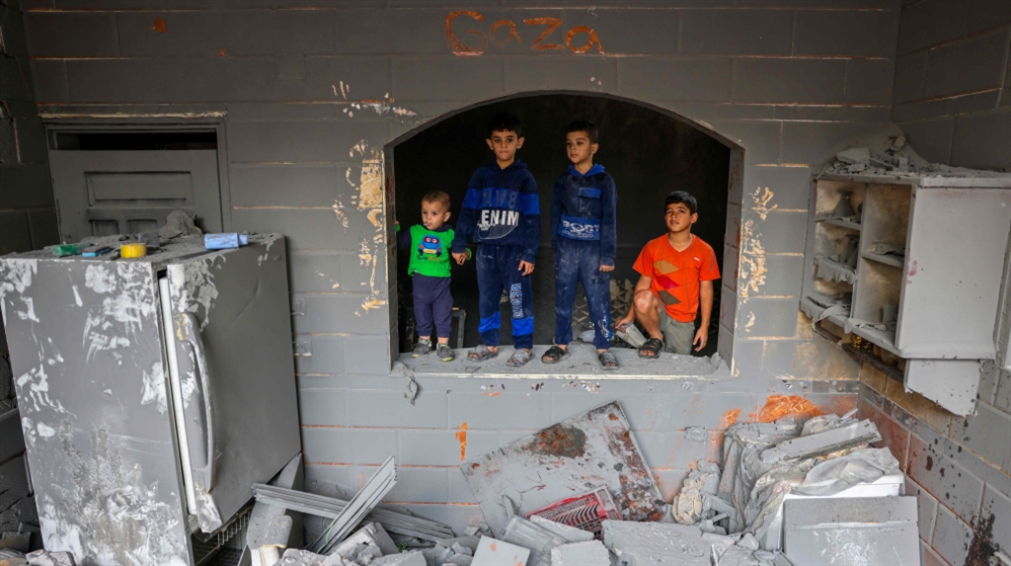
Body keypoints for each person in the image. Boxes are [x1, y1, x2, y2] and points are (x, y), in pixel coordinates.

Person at [452, 112, 540, 367]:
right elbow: (468, 212)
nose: (503, 145)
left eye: (509, 139)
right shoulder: (481, 176)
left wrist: (530, 253)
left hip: (516, 253)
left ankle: (524, 346)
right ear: (490, 143)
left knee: (518, 299)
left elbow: (533, 218)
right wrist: (459, 243)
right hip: (486, 252)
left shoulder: (525, 178)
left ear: (519, 142)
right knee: (487, 299)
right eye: (498, 140)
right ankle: (489, 343)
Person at [541, 120, 619, 370]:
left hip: (593, 251)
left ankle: (603, 346)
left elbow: (610, 219)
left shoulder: (604, 181)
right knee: (563, 299)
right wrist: (557, 248)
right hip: (566, 249)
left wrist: (607, 255)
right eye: (569, 144)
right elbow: (554, 215)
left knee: (598, 301)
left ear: (593, 147)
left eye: (580, 143)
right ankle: (561, 343)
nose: (573, 148)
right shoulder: (563, 180)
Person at [615, 191, 720, 358]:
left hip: (683, 318)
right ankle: (656, 336)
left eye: (681, 211)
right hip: (658, 311)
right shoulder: (653, 247)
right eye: (669, 211)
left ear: (693, 218)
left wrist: (704, 327)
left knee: (677, 361)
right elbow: (643, 284)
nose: (674, 216)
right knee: (642, 298)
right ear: (665, 217)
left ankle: (657, 346)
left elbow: (706, 290)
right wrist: (630, 316)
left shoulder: (704, 251)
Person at [397, 191, 469, 362]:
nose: (428, 217)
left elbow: (462, 249)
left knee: (442, 314)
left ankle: (443, 345)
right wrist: (395, 229)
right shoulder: (415, 231)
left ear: (446, 216)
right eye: (424, 212)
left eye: (434, 213)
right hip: (420, 283)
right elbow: (400, 244)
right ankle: (424, 342)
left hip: (441, 286)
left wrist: (464, 254)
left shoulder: (450, 234)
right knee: (421, 313)